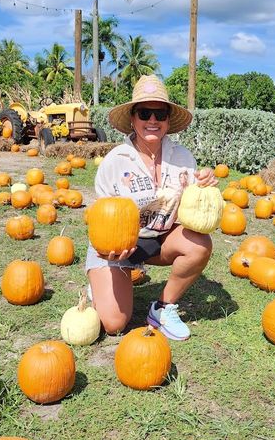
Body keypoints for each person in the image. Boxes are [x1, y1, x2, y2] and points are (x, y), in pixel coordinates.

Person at [85, 74, 218, 341]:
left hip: (159, 240)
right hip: (116, 247)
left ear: (168, 121)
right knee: (114, 324)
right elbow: (102, 219)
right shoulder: (115, 161)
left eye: (160, 114)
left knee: (200, 244)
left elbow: (192, 209)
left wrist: (205, 183)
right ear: (133, 119)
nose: (153, 120)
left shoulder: (183, 158)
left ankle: (163, 307)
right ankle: (100, 285)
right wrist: (110, 251)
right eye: (145, 113)